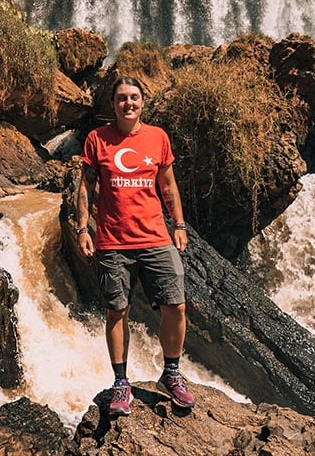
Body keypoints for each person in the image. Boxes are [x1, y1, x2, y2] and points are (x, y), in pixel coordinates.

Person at [75, 76, 195, 417]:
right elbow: (85, 186)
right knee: (117, 311)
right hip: (112, 241)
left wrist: (180, 224)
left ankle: (171, 373)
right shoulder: (97, 139)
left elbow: (168, 185)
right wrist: (83, 228)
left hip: (156, 237)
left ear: (143, 102)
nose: (129, 103)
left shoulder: (158, 138)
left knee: (177, 306)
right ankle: (121, 383)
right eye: (122, 98)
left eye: (135, 98)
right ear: (113, 104)